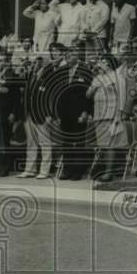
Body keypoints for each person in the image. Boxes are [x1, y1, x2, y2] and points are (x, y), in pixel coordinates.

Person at [86, 54, 130, 184]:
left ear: (110, 64)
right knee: (102, 144)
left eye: (104, 62)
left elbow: (122, 96)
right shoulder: (97, 78)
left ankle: (109, 172)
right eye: (101, 61)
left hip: (112, 113)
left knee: (111, 144)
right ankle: (104, 169)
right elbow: (87, 95)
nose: (101, 64)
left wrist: (120, 113)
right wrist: (93, 85)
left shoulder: (118, 77)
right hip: (99, 114)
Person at [52, 42, 93, 180]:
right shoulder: (62, 71)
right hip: (64, 113)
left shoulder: (85, 71)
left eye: (73, 53)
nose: (69, 56)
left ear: (79, 55)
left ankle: (78, 171)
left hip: (79, 112)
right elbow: (57, 94)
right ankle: (67, 169)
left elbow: (88, 94)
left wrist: (86, 112)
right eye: (68, 54)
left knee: (78, 142)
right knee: (66, 142)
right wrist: (57, 113)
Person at [20, 46, 59, 179]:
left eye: (40, 60)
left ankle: (44, 170)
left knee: (45, 143)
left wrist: (50, 114)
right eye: (35, 60)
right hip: (29, 113)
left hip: (41, 114)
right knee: (31, 142)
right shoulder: (31, 74)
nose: (36, 62)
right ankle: (30, 169)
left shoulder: (50, 75)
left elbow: (52, 96)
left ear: (46, 61)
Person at [0, 51, 20, 176]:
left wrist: (13, 113)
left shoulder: (12, 76)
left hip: (6, 112)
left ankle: (4, 168)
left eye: (1, 61)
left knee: (5, 141)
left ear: (7, 62)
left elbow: (17, 98)